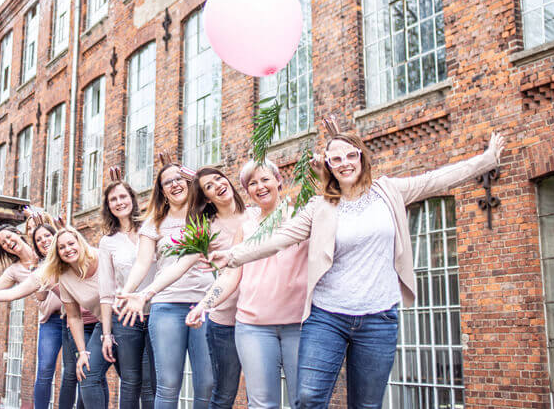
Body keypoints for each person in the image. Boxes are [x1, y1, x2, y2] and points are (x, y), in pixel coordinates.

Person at [209, 131, 505, 409]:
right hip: (328, 316)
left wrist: (486, 160)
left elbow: (436, 179)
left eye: (350, 155)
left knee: (366, 404)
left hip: (378, 317)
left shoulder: (388, 191)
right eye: (335, 159)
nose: (344, 163)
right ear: (328, 166)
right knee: (309, 396)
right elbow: (278, 239)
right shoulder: (320, 206)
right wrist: (234, 256)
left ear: (361, 157)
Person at [118, 166, 249, 409]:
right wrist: (129, 291)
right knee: (167, 384)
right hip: (166, 305)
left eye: (180, 179)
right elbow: (143, 263)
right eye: (168, 182)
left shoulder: (205, 217)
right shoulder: (154, 223)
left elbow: (213, 184)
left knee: (208, 383)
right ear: (162, 191)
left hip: (204, 304)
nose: (175, 184)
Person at [185, 160, 308, 409]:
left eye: (265, 180)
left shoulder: (302, 218)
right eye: (253, 183)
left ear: (278, 181)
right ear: (247, 191)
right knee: (262, 404)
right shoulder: (247, 226)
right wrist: (203, 305)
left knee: (304, 401)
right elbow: (231, 276)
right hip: (253, 327)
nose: (260, 187)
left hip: (299, 324)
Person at [0, 216, 79, 409]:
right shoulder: (14, 271)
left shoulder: (47, 249)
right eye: (3, 244)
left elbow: (61, 239)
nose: (7, 243)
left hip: (75, 317)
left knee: (72, 371)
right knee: (45, 369)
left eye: (8, 238)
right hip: (51, 321)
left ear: (19, 233)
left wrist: (41, 224)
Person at [38, 226, 113, 408]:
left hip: (125, 319)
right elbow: (74, 317)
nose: (67, 249)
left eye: (71, 243)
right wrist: (82, 353)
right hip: (100, 324)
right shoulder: (63, 276)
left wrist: (108, 335)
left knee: (133, 381)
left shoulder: (100, 257)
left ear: (80, 242)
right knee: (88, 374)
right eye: (61, 247)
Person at [98, 179, 157, 409]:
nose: (119, 202)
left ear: (132, 199)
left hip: (156, 313)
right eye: (113, 199)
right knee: (130, 382)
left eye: (123, 196)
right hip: (125, 319)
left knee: (152, 383)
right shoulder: (107, 242)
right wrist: (106, 335)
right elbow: (106, 292)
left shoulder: (151, 228)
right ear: (108, 206)